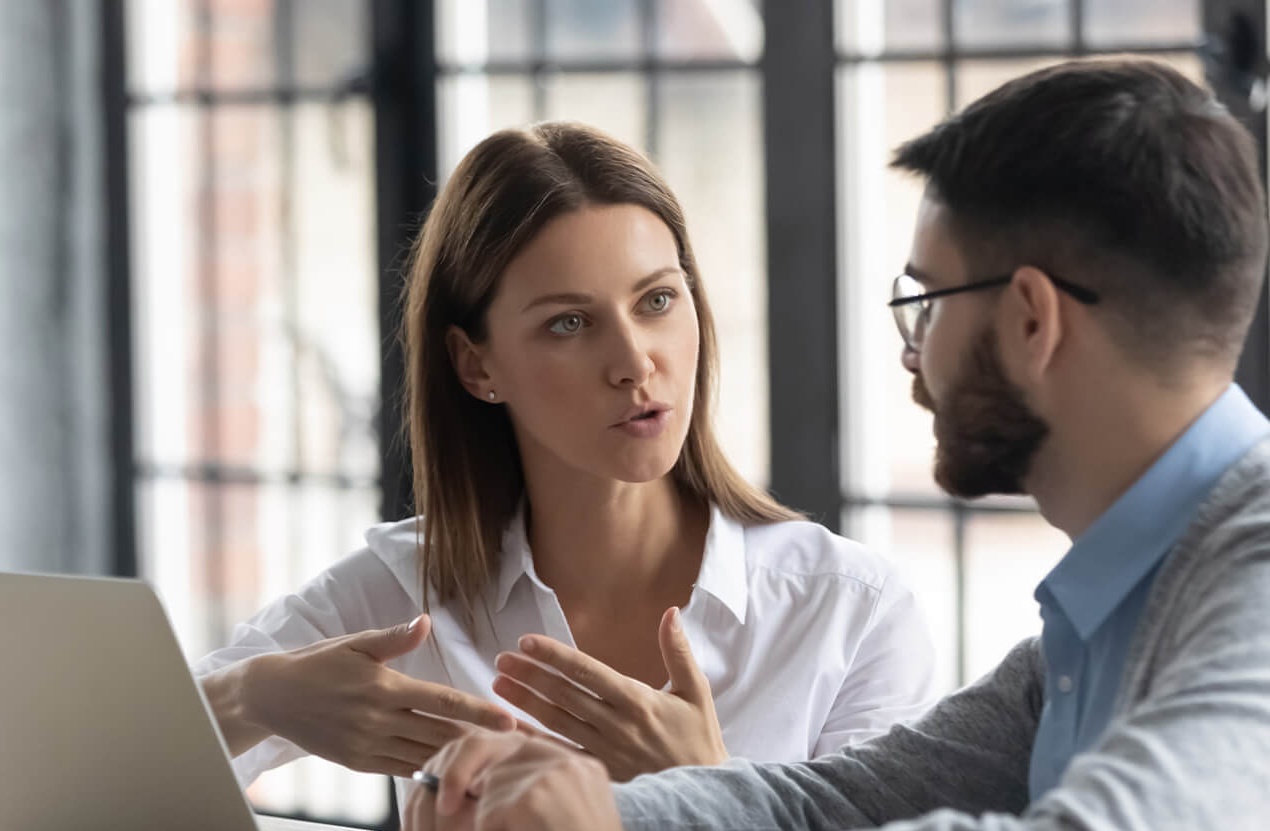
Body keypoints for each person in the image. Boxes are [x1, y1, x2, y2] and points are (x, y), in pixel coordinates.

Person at [401, 59, 1270, 831]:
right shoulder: (1126, 601)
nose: (909, 352)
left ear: (1029, 319)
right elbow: (840, 806)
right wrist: (556, 806)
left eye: (925, 303)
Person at [193, 122, 938, 791]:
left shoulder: (847, 609)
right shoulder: (407, 595)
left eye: (656, 301)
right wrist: (257, 698)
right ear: (476, 366)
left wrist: (706, 784)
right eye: (570, 323)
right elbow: (99, 765)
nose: (634, 362)